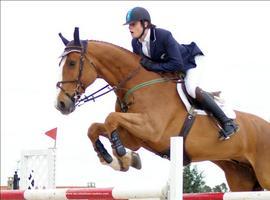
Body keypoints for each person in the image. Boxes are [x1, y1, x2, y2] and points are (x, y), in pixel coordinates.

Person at [124, 7, 239, 140]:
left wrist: (153, 66)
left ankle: (227, 122)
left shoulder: (163, 35)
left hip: (190, 62)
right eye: (129, 25)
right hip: (172, 69)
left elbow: (177, 63)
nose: (130, 28)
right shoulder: (136, 43)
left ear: (145, 24)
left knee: (190, 89)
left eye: (133, 24)